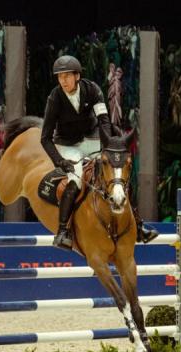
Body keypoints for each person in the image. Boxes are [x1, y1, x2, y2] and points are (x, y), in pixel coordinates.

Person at [41, 55, 156, 249]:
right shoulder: (55, 98)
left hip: (92, 139)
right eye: (60, 77)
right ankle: (62, 231)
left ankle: (139, 225)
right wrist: (60, 161)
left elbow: (104, 121)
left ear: (77, 76)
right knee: (75, 179)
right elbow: (45, 138)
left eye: (67, 76)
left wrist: (108, 146)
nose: (63, 81)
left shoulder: (93, 89)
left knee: (116, 171)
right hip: (68, 145)